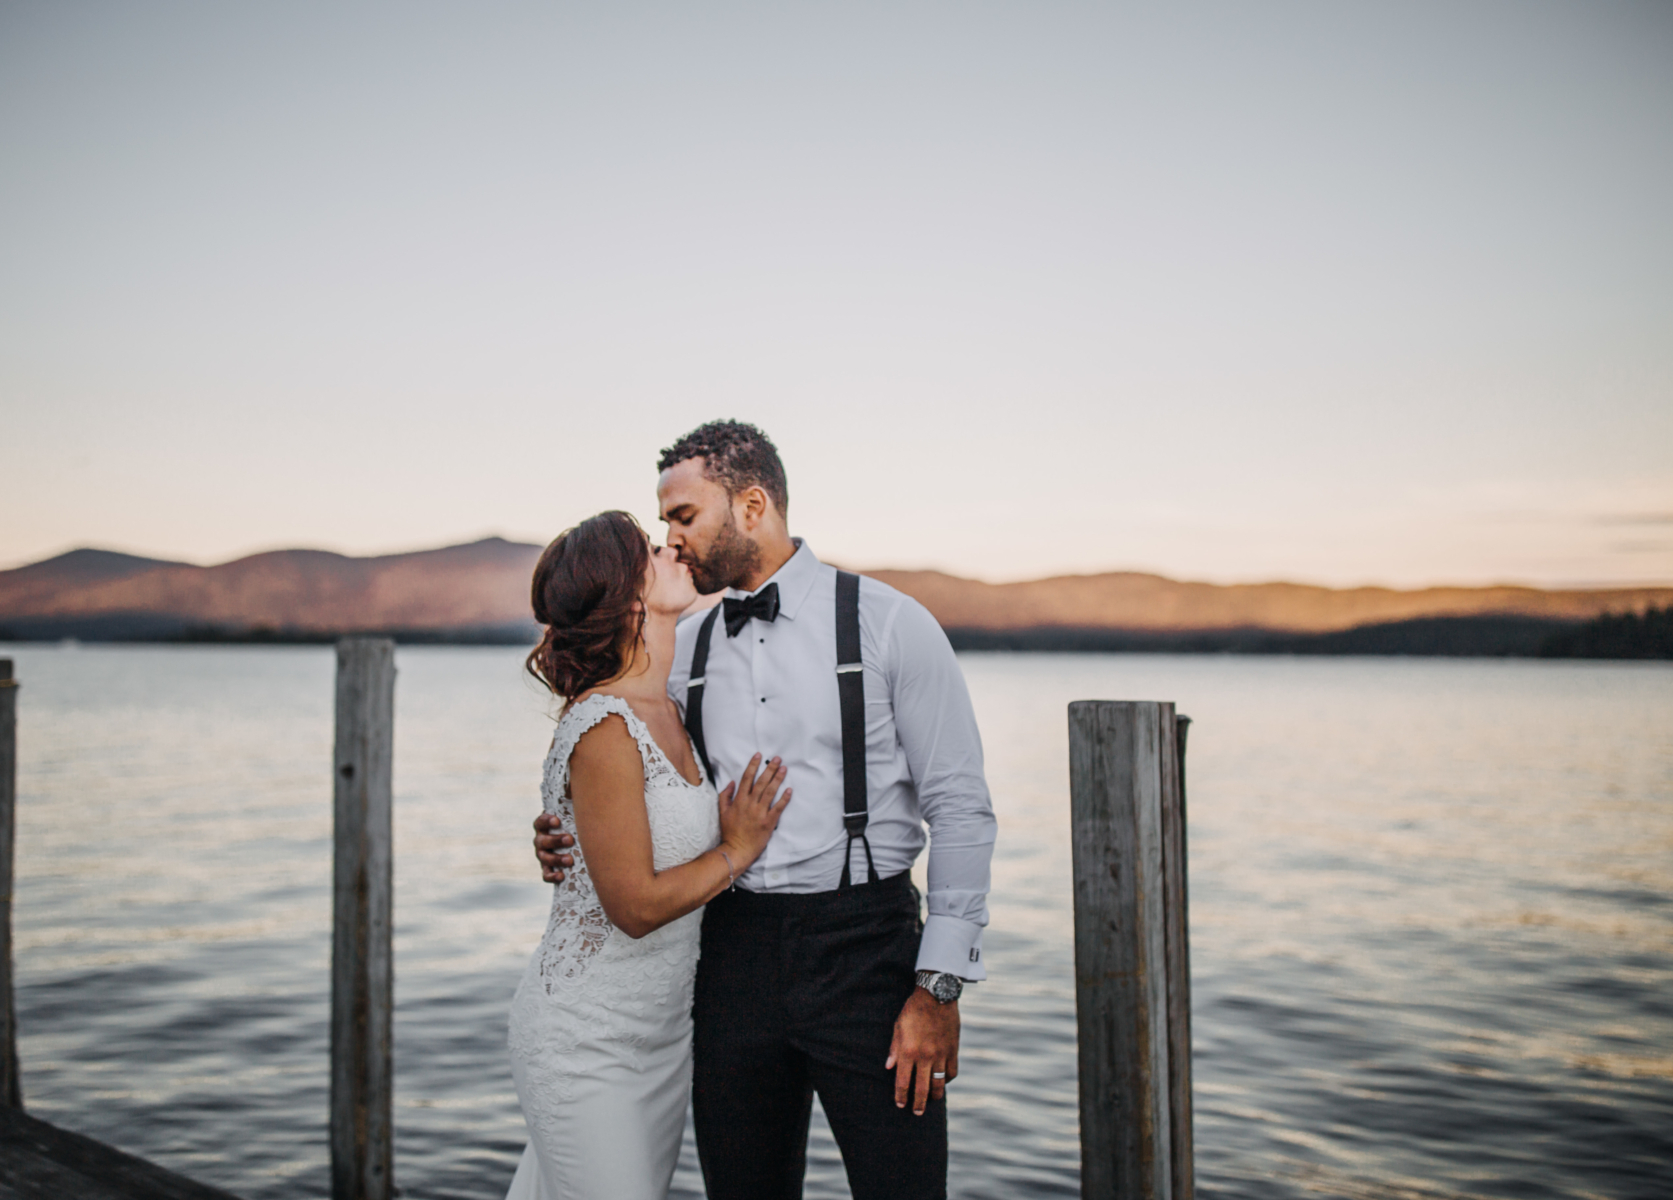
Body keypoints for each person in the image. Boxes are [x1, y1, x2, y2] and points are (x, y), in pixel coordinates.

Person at [534, 421, 998, 1200]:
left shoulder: (889, 622)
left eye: (683, 517)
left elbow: (961, 809)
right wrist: (563, 832)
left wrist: (937, 986)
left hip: (869, 954)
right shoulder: (684, 646)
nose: (671, 542)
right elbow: (629, 772)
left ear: (752, 506)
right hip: (728, 958)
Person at [506, 509, 794, 1200]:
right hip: (586, 1042)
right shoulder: (604, 724)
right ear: (626, 596)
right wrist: (738, 850)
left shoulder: (668, 709)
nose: (672, 546)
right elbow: (632, 907)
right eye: (650, 549)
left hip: (661, 1041)